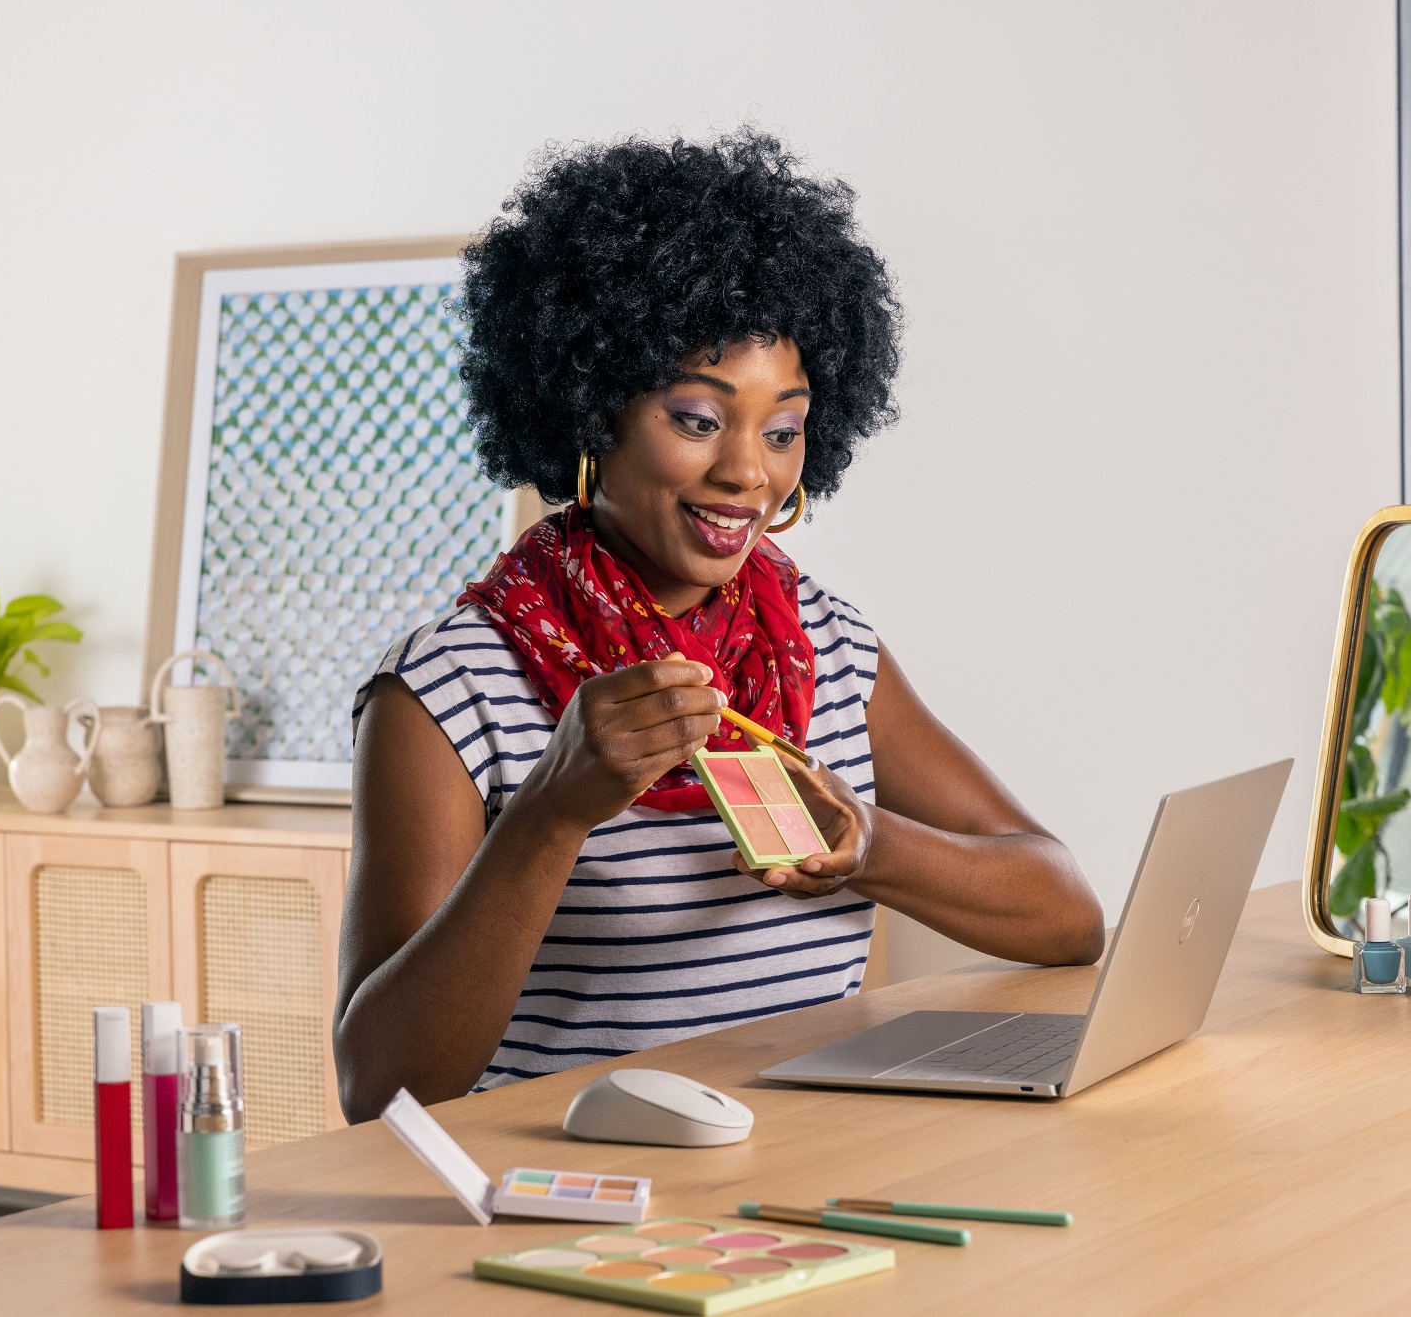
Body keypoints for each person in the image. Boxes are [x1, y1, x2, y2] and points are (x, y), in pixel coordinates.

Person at [334, 130, 1101, 1123]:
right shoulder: (447, 690)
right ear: (590, 407)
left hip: (807, 1182)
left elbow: (1065, 913)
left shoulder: (825, 644)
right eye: (697, 418)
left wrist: (863, 840)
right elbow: (377, 1083)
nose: (748, 471)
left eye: (781, 429)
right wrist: (552, 811)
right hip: (571, 1206)